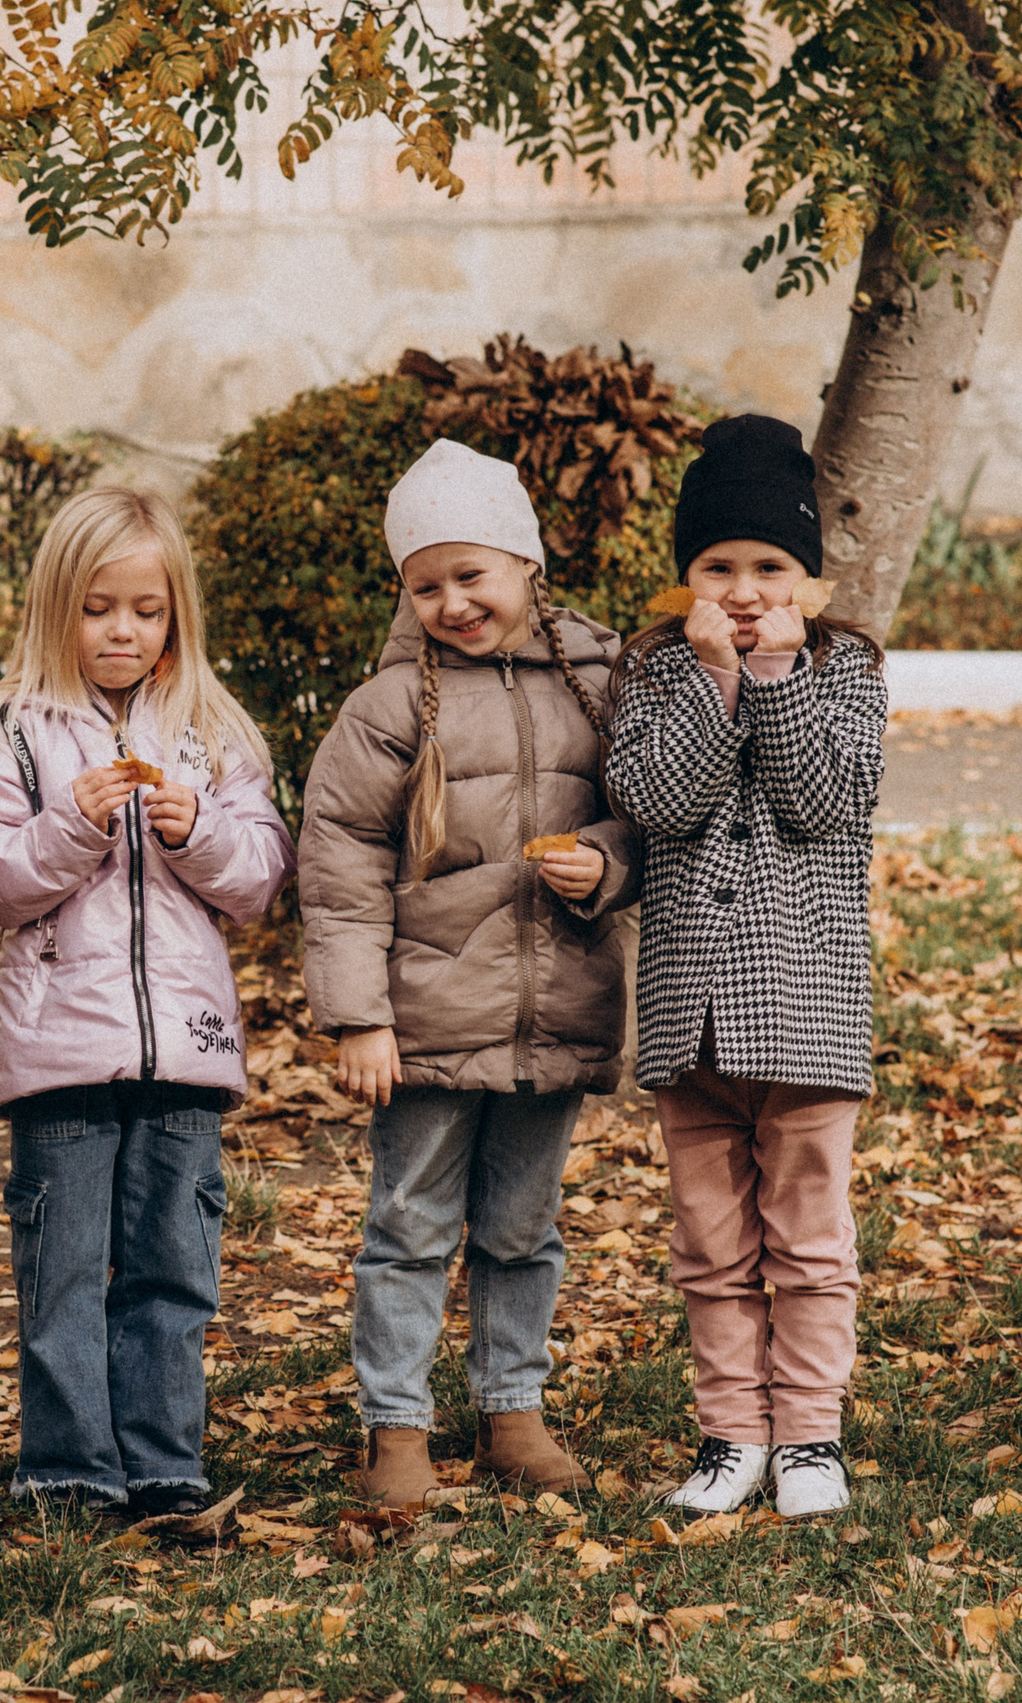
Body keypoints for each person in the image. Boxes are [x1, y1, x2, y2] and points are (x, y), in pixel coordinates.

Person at [0, 487, 292, 1515]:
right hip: (60, 1051)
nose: (122, 630)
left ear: (175, 611)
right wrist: (70, 829)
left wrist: (197, 833)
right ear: (57, 608)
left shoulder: (211, 732)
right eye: (98, 608)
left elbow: (262, 874)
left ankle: (163, 1455)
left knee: (174, 1261)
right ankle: (67, 1464)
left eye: (144, 608)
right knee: (62, 1265)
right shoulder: (10, 727)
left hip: (184, 1044)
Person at [300, 439, 638, 1507]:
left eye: (472, 573)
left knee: (522, 1227)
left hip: (556, 1000)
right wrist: (358, 1014)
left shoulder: (598, 676)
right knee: (408, 1224)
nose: (453, 601)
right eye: (426, 583)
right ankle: (396, 1426)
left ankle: (511, 1410)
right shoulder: (393, 704)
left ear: (526, 561)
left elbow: (650, 810)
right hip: (429, 1014)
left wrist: (609, 864)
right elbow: (340, 856)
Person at [602, 414, 888, 1522]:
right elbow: (659, 802)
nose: (742, 587)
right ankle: (732, 1432)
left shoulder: (847, 670)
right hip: (688, 1013)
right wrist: (715, 680)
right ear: (684, 579)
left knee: (808, 1237)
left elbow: (826, 801)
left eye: (769, 567)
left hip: (805, 1008)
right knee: (710, 1240)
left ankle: (809, 1433)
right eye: (717, 566)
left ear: (808, 579)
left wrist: (771, 673)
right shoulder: (657, 671)